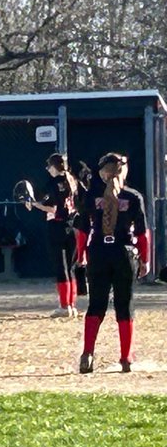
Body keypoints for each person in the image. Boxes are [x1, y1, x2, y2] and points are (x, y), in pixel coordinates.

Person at [78, 152, 150, 374]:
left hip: (98, 252)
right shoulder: (134, 197)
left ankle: (88, 353)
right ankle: (125, 357)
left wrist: (81, 255)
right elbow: (142, 235)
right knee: (124, 305)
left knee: (96, 305)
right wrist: (145, 260)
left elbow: (82, 229)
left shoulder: (91, 196)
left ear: (102, 173)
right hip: (123, 253)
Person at [27, 153, 81, 317]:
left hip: (57, 226)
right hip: (72, 227)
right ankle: (71, 305)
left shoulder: (53, 183)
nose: (47, 169)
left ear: (54, 167)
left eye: (49, 166)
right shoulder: (72, 180)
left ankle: (64, 306)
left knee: (61, 267)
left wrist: (35, 205)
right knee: (70, 268)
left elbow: (53, 208)